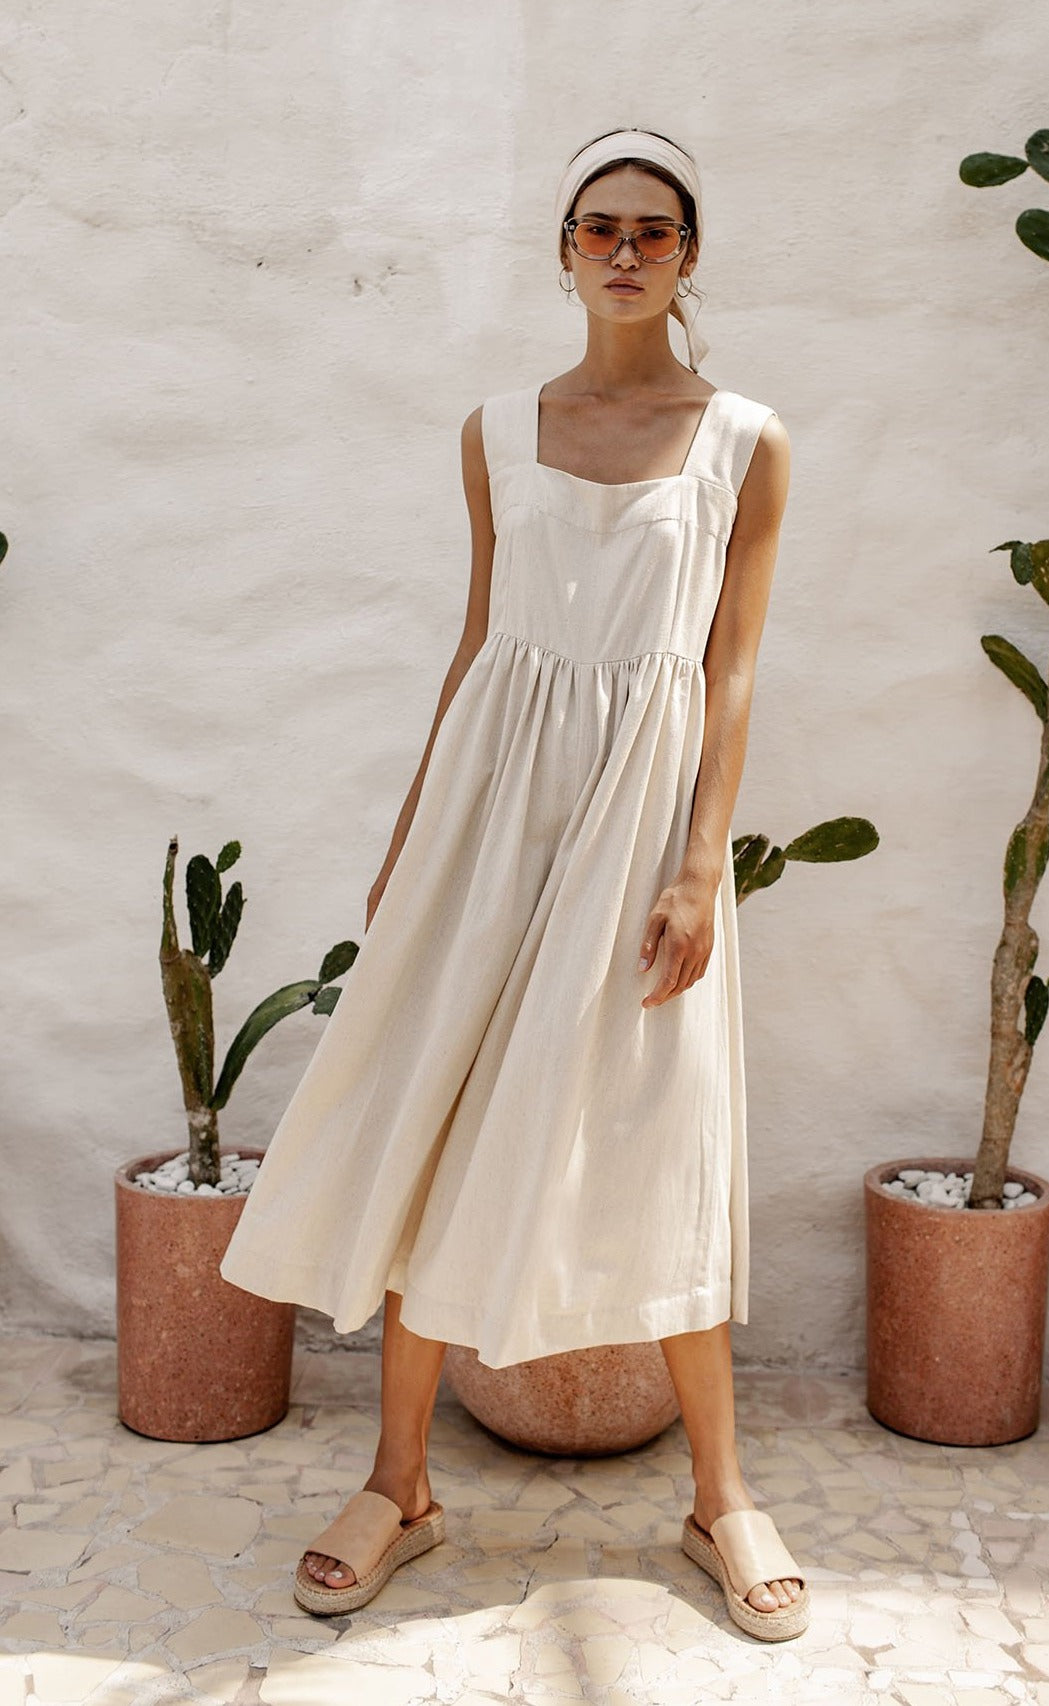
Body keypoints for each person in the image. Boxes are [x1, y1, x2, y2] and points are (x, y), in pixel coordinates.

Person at [219, 125, 808, 1642]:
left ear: (688, 259)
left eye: (655, 230)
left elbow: (730, 672)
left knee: (661, 1125)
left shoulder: (747, 438)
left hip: (638, 820)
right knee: (438, 1113)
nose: (624, 248)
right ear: (563, 252)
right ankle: (400, 1485)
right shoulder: (493, 425)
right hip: (493, 807)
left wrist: (699, 858)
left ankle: (721, 1496)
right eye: (599, 226)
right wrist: (419, 830)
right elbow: (480, 642)